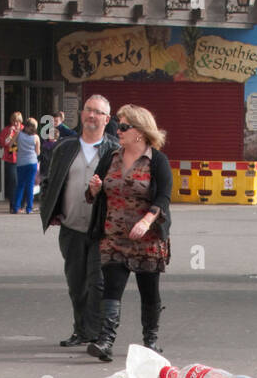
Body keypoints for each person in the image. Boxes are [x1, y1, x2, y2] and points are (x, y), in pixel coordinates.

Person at [85, 104, 172, 362]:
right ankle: (105, 341)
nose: (118, 131)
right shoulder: (110, 157)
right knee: (112, 287)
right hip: (113, 235)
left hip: (147, 238)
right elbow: (93, 195)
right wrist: (93, 189)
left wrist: (146, 221)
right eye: (118, 126)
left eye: (123, 127)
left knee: (149, 289)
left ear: (140, 132)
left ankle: (150, 341)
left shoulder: (157, 160)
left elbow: (164, 197)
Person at [39, 95, 119, 348]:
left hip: (102, 229)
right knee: (76, 283)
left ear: (107, 119)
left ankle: (94, 332)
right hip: (71, 225)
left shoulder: (115, 150)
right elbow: (50, 181)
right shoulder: (65, 148)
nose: (92, 116)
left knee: (97, 282)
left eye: (98, 112)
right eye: (88, 111)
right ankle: (81, 330)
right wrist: (50, 210)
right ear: (82, 115)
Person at [13, 117, 40, 214]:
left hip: (21, 162)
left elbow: (11, 143)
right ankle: (29, 208)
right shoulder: (36, 137)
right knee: (30, 186)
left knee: (20, 185)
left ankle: (16, 207)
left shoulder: (19, 134)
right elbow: (38, 152)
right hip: (32, 162)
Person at [0, 111, 22, 211]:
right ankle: (13, 204)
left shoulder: (24, 130)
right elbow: (3, 143)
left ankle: (21, 204)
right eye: (14, 121)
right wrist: (9, 134)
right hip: (10, 159)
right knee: (13, 181)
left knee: (21, 182)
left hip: (22, 159)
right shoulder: (7, 130)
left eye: (17, 121)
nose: (15, 123)